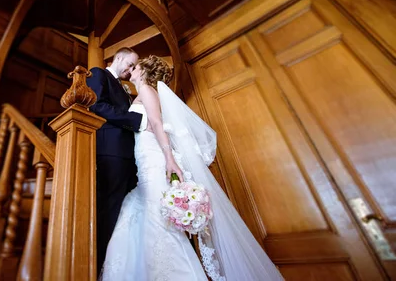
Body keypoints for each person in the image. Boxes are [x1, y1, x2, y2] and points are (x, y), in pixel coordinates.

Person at [101, 55, 284, 281]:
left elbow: (158, 124)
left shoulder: (147, 91)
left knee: (156, 217)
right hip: (143, 160)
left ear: (144, 71)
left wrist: (169, 157)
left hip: (153, 158)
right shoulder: (142, 95)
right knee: (140, 211)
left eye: (135, 67)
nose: (131, 71)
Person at [86, 47, 146, 274]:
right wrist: (134, 120)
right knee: (108, 210)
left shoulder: (125, 89)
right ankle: (95, 266)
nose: (131, 70)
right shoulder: (98, 74)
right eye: (130, 64)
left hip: (128, 155)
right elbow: (97, 105)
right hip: (111, 151)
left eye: (134, 67)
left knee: (123, 211)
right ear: (118, 57)